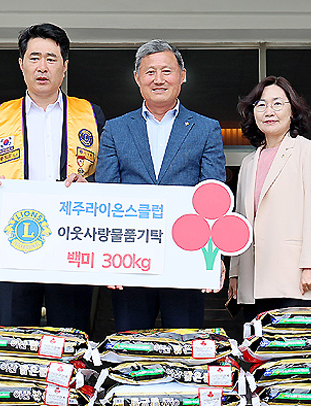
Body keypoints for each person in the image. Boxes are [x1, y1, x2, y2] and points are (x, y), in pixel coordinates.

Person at [0, 23, 105, 332]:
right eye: (34, 58)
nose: (42, 67)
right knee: (14, 335)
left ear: (65, 66)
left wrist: (91, 186)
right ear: (21, 64)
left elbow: (107, 175)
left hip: (72, 241)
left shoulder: (91, 114)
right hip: (17, 239)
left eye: (51, 58)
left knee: (71, 335)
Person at [95, 39, 226, 332]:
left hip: (186, 258)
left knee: (184, 344)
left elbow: (213, 197)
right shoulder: (116, 128)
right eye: (150, 72)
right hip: (129, 260)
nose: (158, 79)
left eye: (166, 71)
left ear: (182, 75)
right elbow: (106, 194)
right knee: (130, 346)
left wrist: (213, 255)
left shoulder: (206, 128)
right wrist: (106, 259)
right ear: (137, 78)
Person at [228, 76, 311, 321]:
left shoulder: (308, 152)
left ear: (292, 110)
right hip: (253, 280)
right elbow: (241, 221)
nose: (268, 111)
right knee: (257, 344)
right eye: (261, 105)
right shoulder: (249, 162)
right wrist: (235, 272)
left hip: (296, 279)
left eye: (277, 103)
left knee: (293, 345)